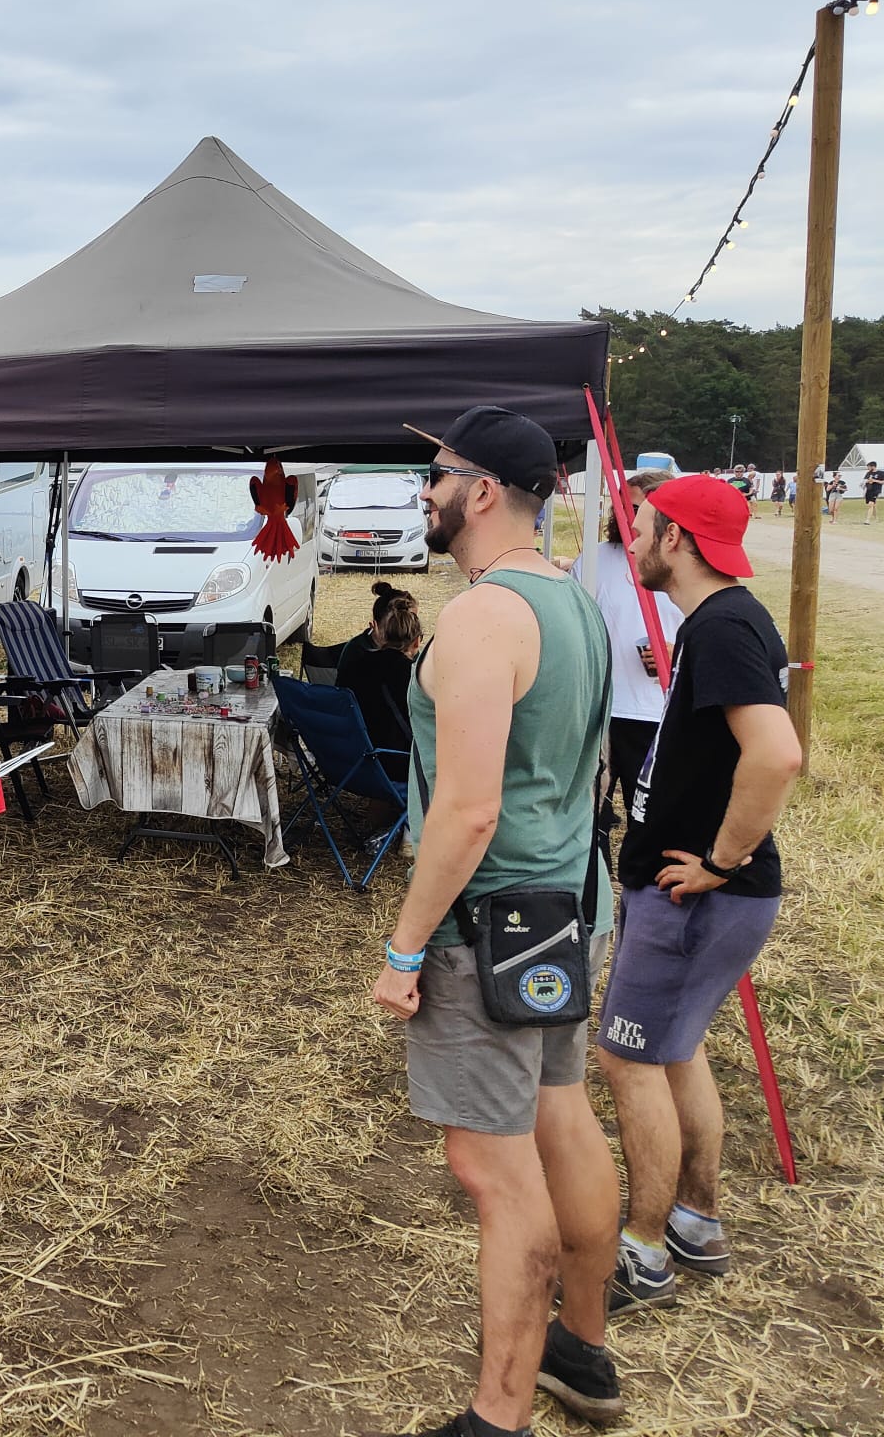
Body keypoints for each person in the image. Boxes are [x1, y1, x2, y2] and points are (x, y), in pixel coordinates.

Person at [372, 407, 623, 1435]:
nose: (421, 494)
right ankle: (582, 1351)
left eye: (433, 476)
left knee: (489, 1166)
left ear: (479, 492)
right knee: (561, 1115)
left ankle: (498, 1414)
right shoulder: (573, 602)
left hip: (490, 932)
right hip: (567, 915)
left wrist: (403, 947)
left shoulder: (480, 617)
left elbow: (467, 811)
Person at [596, 476, 802, 1315]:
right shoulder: (718, 623)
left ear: (674, 537)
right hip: (705, 897)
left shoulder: (720, 626)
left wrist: (722, 859)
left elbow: (777, 754)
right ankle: (696, 1221)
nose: (631, 537)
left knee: (630, 1056)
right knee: (676, 1049)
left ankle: (642, 1254)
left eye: (641, 525)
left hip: (697, 899)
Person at [570, 470, 683, 833]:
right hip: (597, 711)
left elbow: (707, 634)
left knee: (648, 819)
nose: (627, 517)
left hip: (654, 713)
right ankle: (594, 884)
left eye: (635, 507)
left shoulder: (684, 564)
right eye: (619, 505)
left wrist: (674, 650)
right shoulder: (595, 560)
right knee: (588, 819)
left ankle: (642, 885)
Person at [336, 586, 418, 777]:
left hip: (353, 756)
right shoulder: (409, 673)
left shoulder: (358, 663)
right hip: (393, 761)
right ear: (416, 641)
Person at [333, 580, 415, 682]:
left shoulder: (411, 649)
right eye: (391, 629)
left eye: (411, 625)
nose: (402, 633)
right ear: (374, 626)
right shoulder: (359, 655)